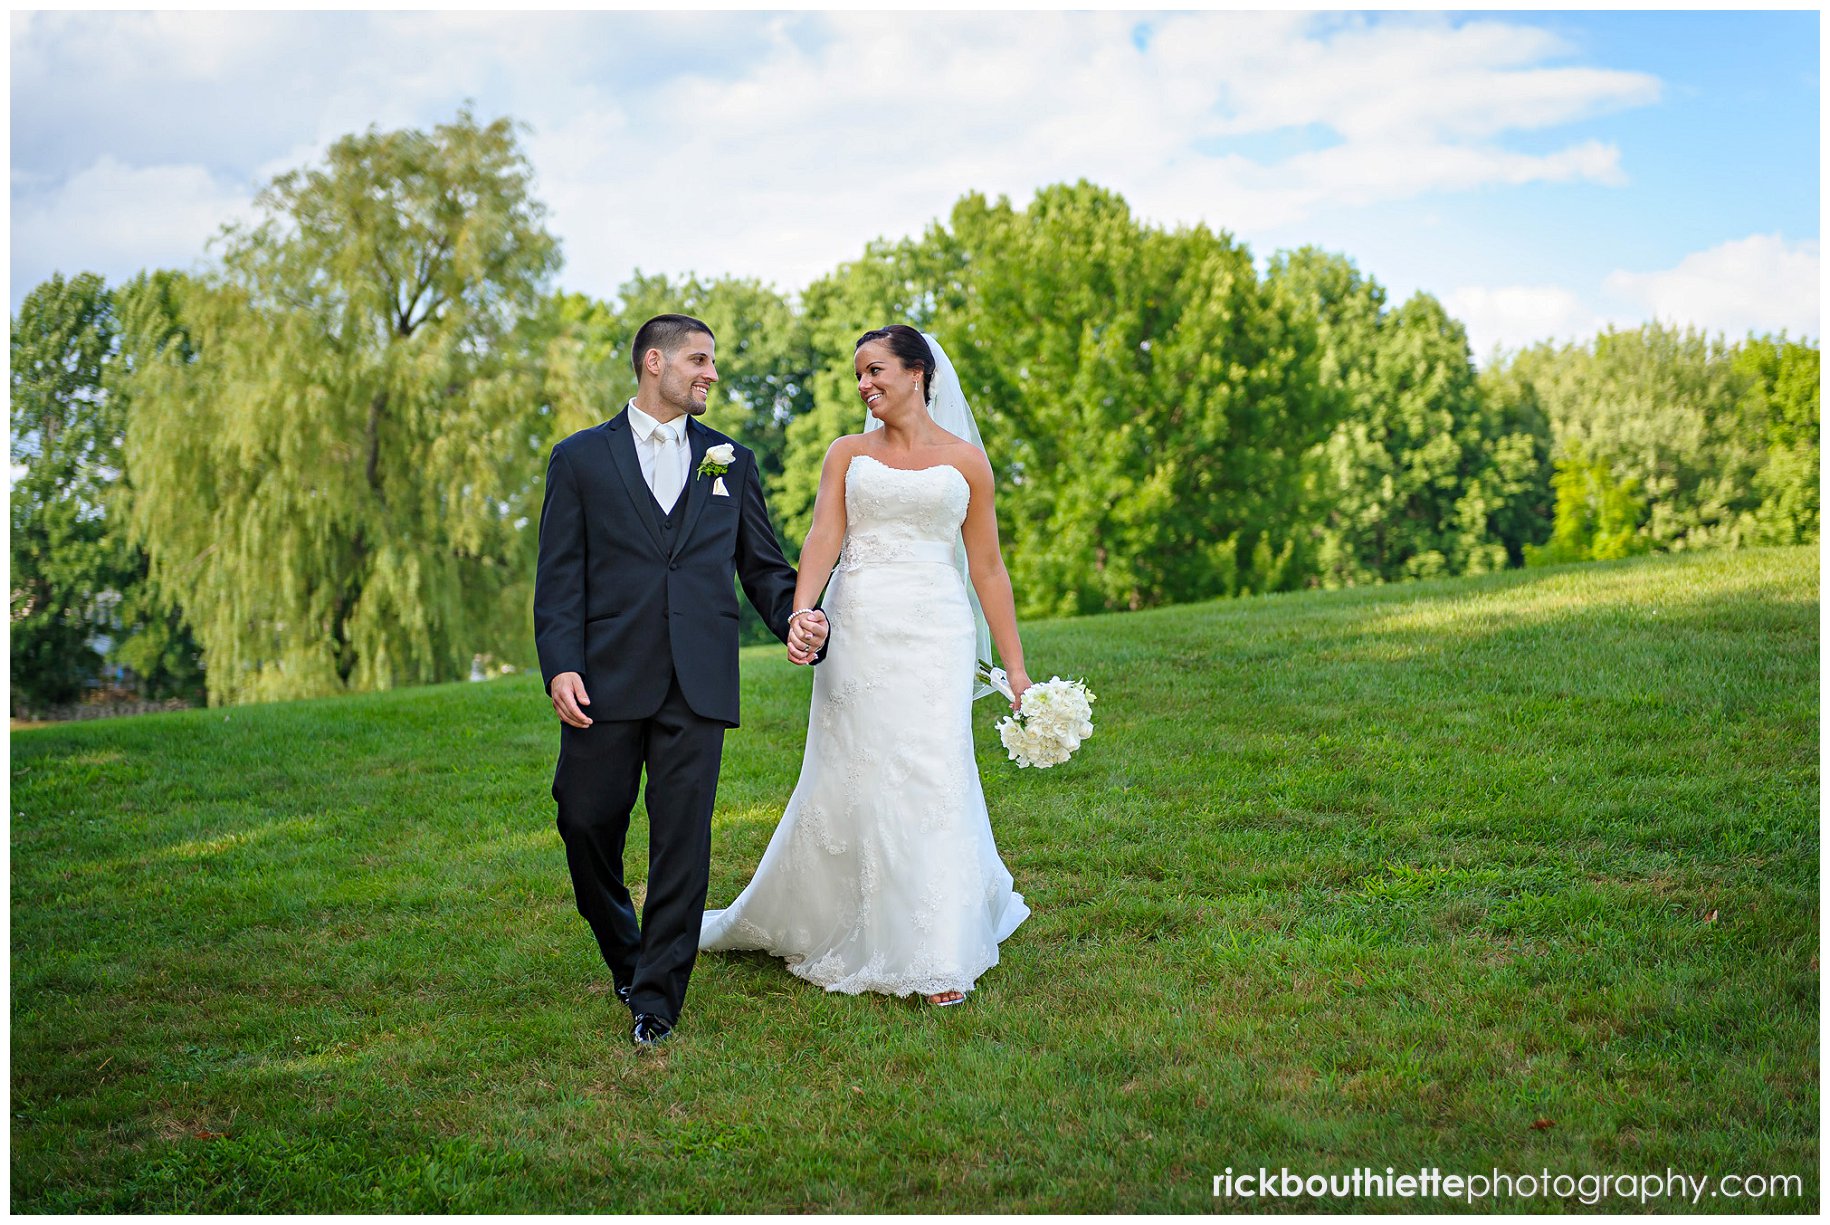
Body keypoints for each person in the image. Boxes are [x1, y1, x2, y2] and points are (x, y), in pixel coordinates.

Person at [701, 325, 1032, 1007]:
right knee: (857, 771)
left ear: (919, 373)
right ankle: (834, 916)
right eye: (859, 376)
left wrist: (1016, 669)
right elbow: (825, 534)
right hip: (862, 629)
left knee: (933, 770)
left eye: (876, 371)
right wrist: (802, 611)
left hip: (937, 631)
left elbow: (989, 568)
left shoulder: (967, 462)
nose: (865, 386)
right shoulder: (847, 454)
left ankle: (937, 953)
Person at [533, 313, 829, 1048]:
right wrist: (561, 662)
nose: (711, 374)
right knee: (584, 817)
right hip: (604, 679)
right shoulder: (579, 461)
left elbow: (762, 566)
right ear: (654, 362)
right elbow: (559, 577)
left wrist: (798, 616)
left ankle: (659, 997)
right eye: (699, 359)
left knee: (682, 843)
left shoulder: (732, 460)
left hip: (697, 682)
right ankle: (626, 951)